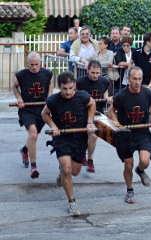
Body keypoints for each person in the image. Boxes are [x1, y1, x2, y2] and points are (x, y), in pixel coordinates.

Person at [41, 71, 96, 216]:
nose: (68, 92)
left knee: (75, 171)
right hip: (62, 137)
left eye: (71, 88)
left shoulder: (82, 96)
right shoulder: (53, 100)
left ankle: (63, 173)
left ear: (74, 86)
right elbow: (44, 114)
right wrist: (53, 126)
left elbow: (92, 103)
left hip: (79, 137)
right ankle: (72, 202)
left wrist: (90, 121)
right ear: (59, 87)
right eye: (64, 88)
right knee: (67, 169)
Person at [107, 66, 151, 204]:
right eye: (134, 79)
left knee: (145, 161)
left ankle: (141, 170)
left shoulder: (147, 93)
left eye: (139, 79)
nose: (137, 82)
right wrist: (118, 126)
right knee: (128, 165)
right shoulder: (121, 96)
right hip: (126, 135)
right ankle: (130, 190)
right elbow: (110, 111)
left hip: (142, 132)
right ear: (128, 79)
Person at [13, 51, 53, 178]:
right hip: (27, 109)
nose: (34, 67)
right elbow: (15, 87)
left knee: (33, 136)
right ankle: (33, 166)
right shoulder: (21, 74)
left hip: (42, 109)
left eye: (37, 64)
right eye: (31, 65)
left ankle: (24, 150)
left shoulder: (47, 73)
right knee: (33, 134)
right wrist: (19, 98)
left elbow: (50, 84)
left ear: (40, 62)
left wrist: (49, 99)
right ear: (27, 63)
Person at [76, 60, 113, 172]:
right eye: (92, 73)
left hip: (97, 112)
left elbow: (106, 97)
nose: (95, 75)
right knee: (81, 136)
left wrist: (108, 100)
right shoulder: (80, 81)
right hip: (83, 112)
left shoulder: (105, 81)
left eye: (97, 73)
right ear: (88, 71)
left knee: (93, 136)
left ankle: (90, 160)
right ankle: (82, 153)